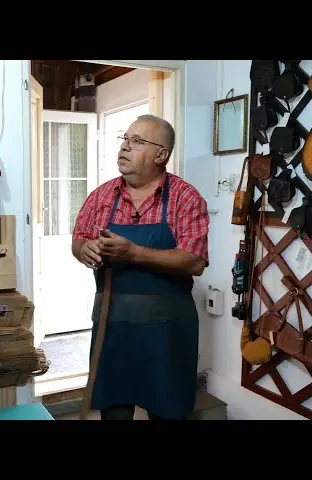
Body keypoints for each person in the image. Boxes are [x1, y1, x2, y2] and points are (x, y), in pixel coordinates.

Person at [71, 114, 209, 421]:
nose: (125, 147)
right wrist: (86, 249)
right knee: (115, 411)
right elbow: (78, 240)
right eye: (125, 139)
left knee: (168, 411)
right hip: (113, 324)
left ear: (161, 155)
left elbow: (194, 261)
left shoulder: (185, 198)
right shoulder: (101, 196)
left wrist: (132, 252)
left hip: (168, 332)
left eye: (137, 141)